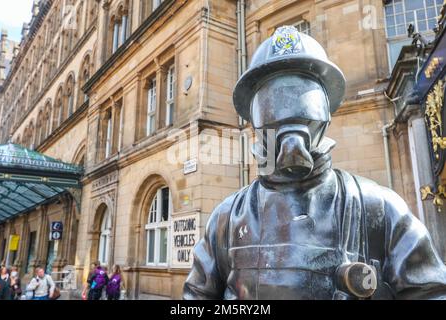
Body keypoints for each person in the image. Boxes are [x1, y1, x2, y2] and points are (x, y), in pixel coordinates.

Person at [183, 26, 446, 300]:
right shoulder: (228, 219)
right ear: (255, 119)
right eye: (274, 103)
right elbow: (196, 296)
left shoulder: (376, 206)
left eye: (300, 98)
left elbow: (431, 292)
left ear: (324, 111)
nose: (289, 125)